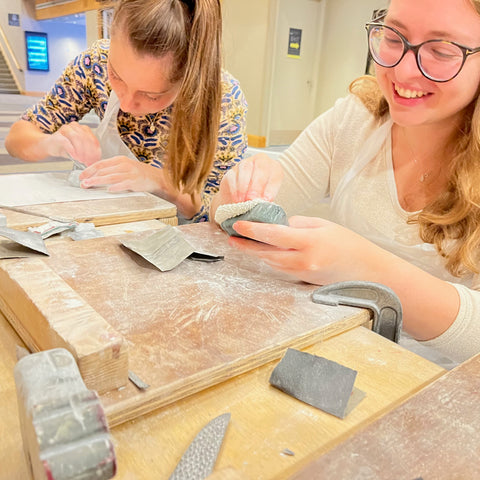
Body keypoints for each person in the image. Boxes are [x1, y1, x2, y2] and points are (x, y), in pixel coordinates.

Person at [211, 0, 480, 364]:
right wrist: (240, 191)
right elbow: (226, 211)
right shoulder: (356, 119)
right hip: (340, 353)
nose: (402, 69)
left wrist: (365, 268)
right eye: (394, 36)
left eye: (441, 50)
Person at [5, 0, 247, 223]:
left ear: (187, 78)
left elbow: (221, 213)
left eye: (152, 95)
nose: (127, 104)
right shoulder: (94, 63)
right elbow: (16, 138)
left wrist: (158, 180)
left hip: (179, 233)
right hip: (107, 218)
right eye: (117, 76)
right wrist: (51, 143)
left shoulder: (223, 101)